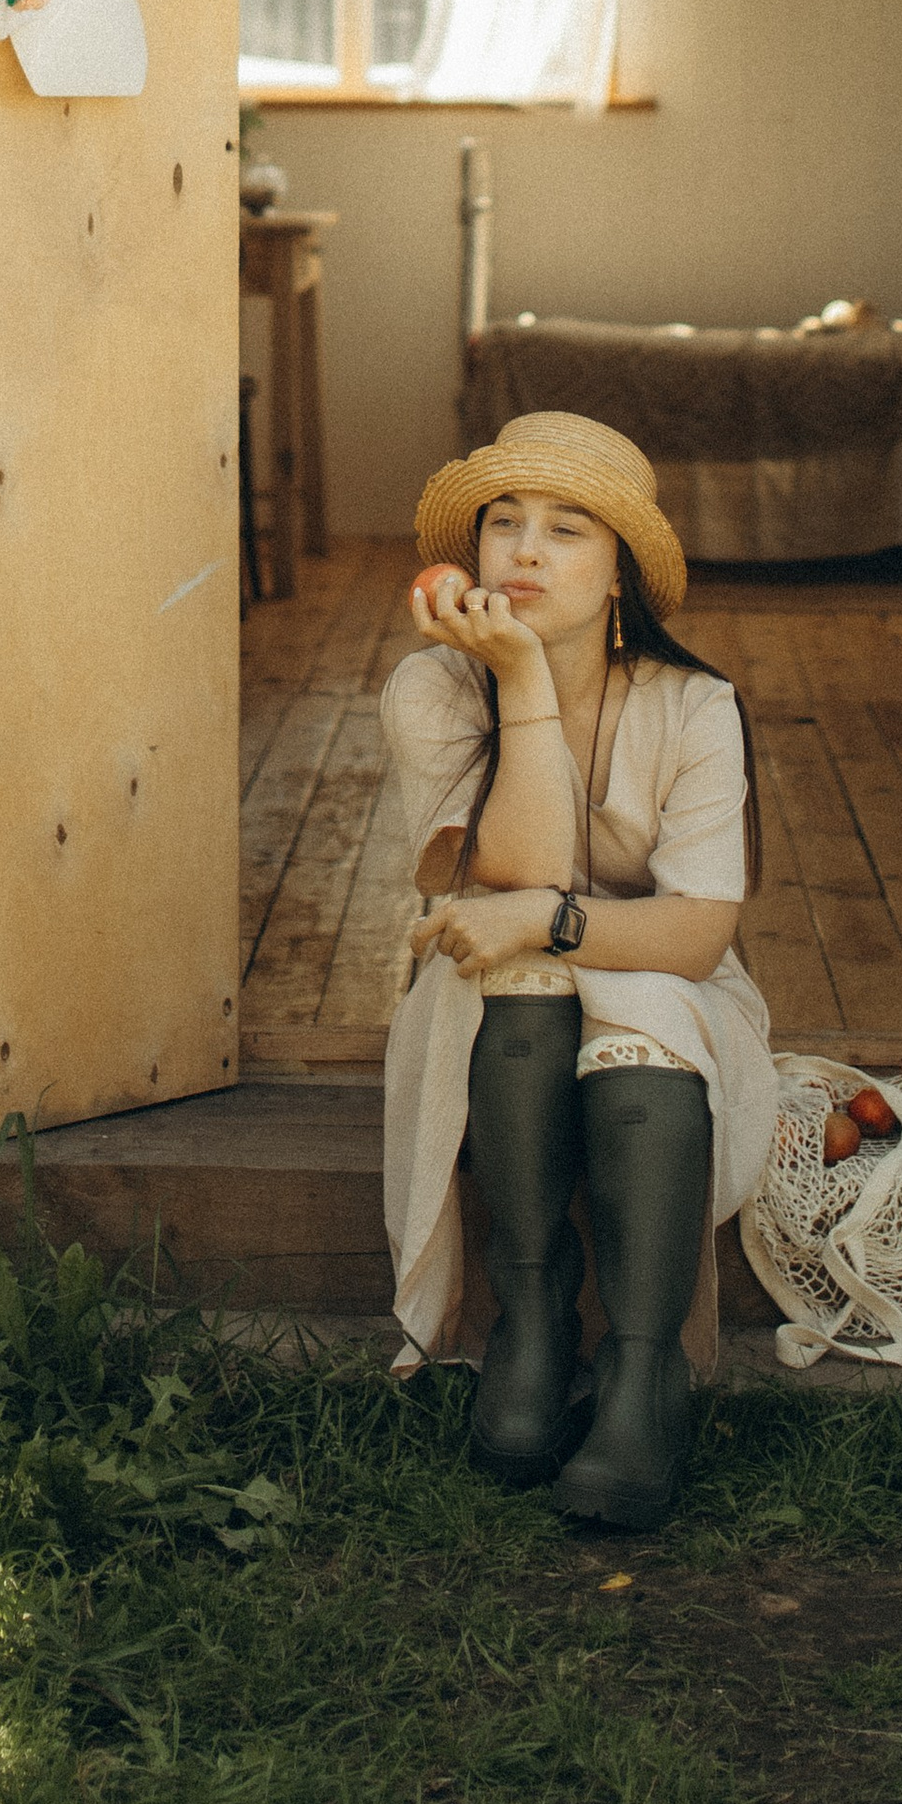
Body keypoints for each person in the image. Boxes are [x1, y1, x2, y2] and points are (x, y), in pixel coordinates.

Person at [380, 411, 774, 1529]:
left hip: (673, 997)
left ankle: (645, 1372)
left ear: (619, 578)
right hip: (492, 1002)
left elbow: (692, 938)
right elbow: (516, 867)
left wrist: (539, 923)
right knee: (522, 981)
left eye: (566, 529)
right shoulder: (433, 691)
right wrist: (519, 679)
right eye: (502, 524)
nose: (525, 552)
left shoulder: (696, 707)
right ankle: (535, 1312)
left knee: (636, 991)